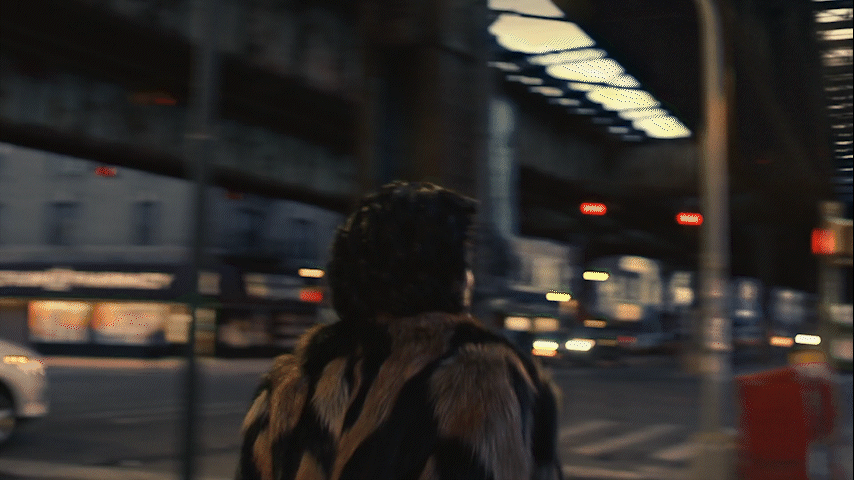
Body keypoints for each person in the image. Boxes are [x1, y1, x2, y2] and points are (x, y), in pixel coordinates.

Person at [235, 181, 563, 480]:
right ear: (446, 278)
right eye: (464, 266)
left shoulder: (288, 386)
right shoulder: (484, 379)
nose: (470, 280)